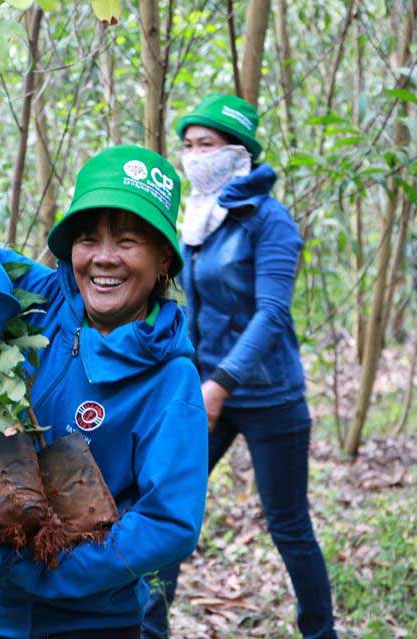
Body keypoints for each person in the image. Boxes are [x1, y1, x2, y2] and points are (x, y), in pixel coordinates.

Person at [0, 145, 209, 639]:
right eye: (88, 239)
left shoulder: (171, 380)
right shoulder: (42, 299)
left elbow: (169, 525)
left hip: (85, 621)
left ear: (164, 257)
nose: (103, 258)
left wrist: (37, 570)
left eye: (128, 241)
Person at [142, 95, 337, 639]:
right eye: (188, 145)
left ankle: (321, 632)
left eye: (206, 145)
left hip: (269, 395)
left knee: (290, 527)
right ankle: (148, 630)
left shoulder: (270, 222)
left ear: (238, 152)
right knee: (166, 507)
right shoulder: (200, 217)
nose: (194, 155)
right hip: (204, 391)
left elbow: (272, 313)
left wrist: (221, 383)